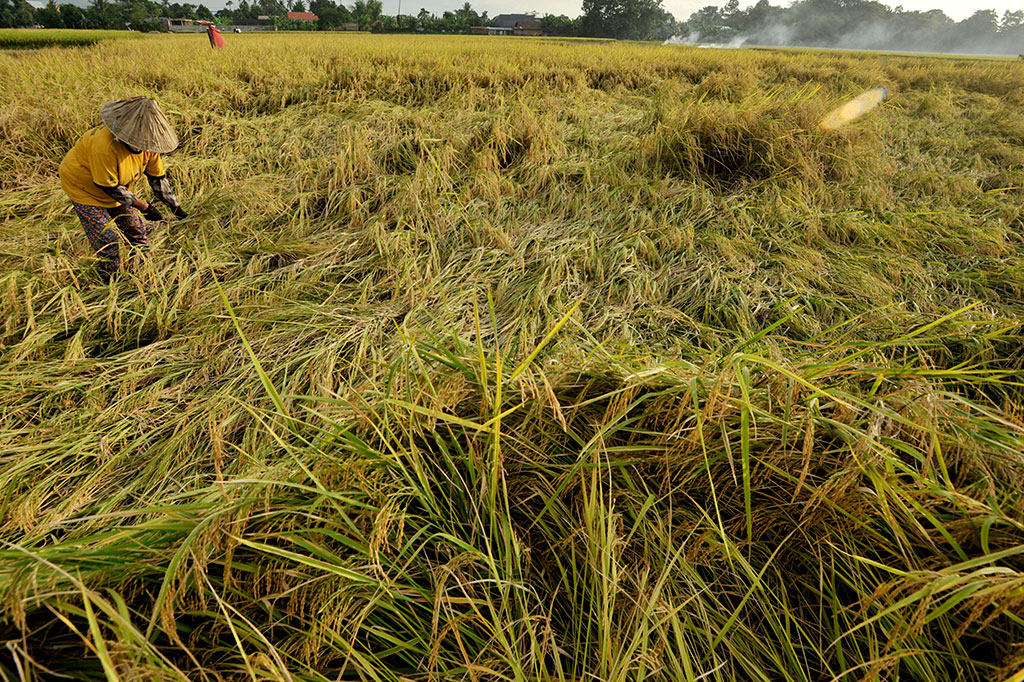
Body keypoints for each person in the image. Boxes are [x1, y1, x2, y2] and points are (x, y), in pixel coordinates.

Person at [58, 97, 187, 282]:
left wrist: (176, 208)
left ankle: (144, 268)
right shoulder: (105, 147)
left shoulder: (149, 144)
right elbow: (108, 187)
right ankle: (112, 278)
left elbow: (158, 179)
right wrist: (145, 207)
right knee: (107, 238)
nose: (146, 148)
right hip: (84, 187)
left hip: (115, 185)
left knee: (136, 228)